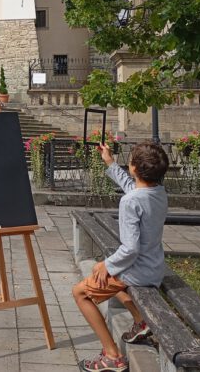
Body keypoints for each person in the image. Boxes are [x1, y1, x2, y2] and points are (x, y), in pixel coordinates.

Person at [72, 140, 169, 372]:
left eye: (130, 162)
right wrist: (110, 163)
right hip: (153, 266)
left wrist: (106, 264)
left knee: (80, 293)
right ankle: (141, 320)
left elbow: (130, 248)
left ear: (134, 168)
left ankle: (111, 355)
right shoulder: (157, 191)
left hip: (137, 269)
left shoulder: (131, 201)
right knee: (113, 282)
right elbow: (133, 187)